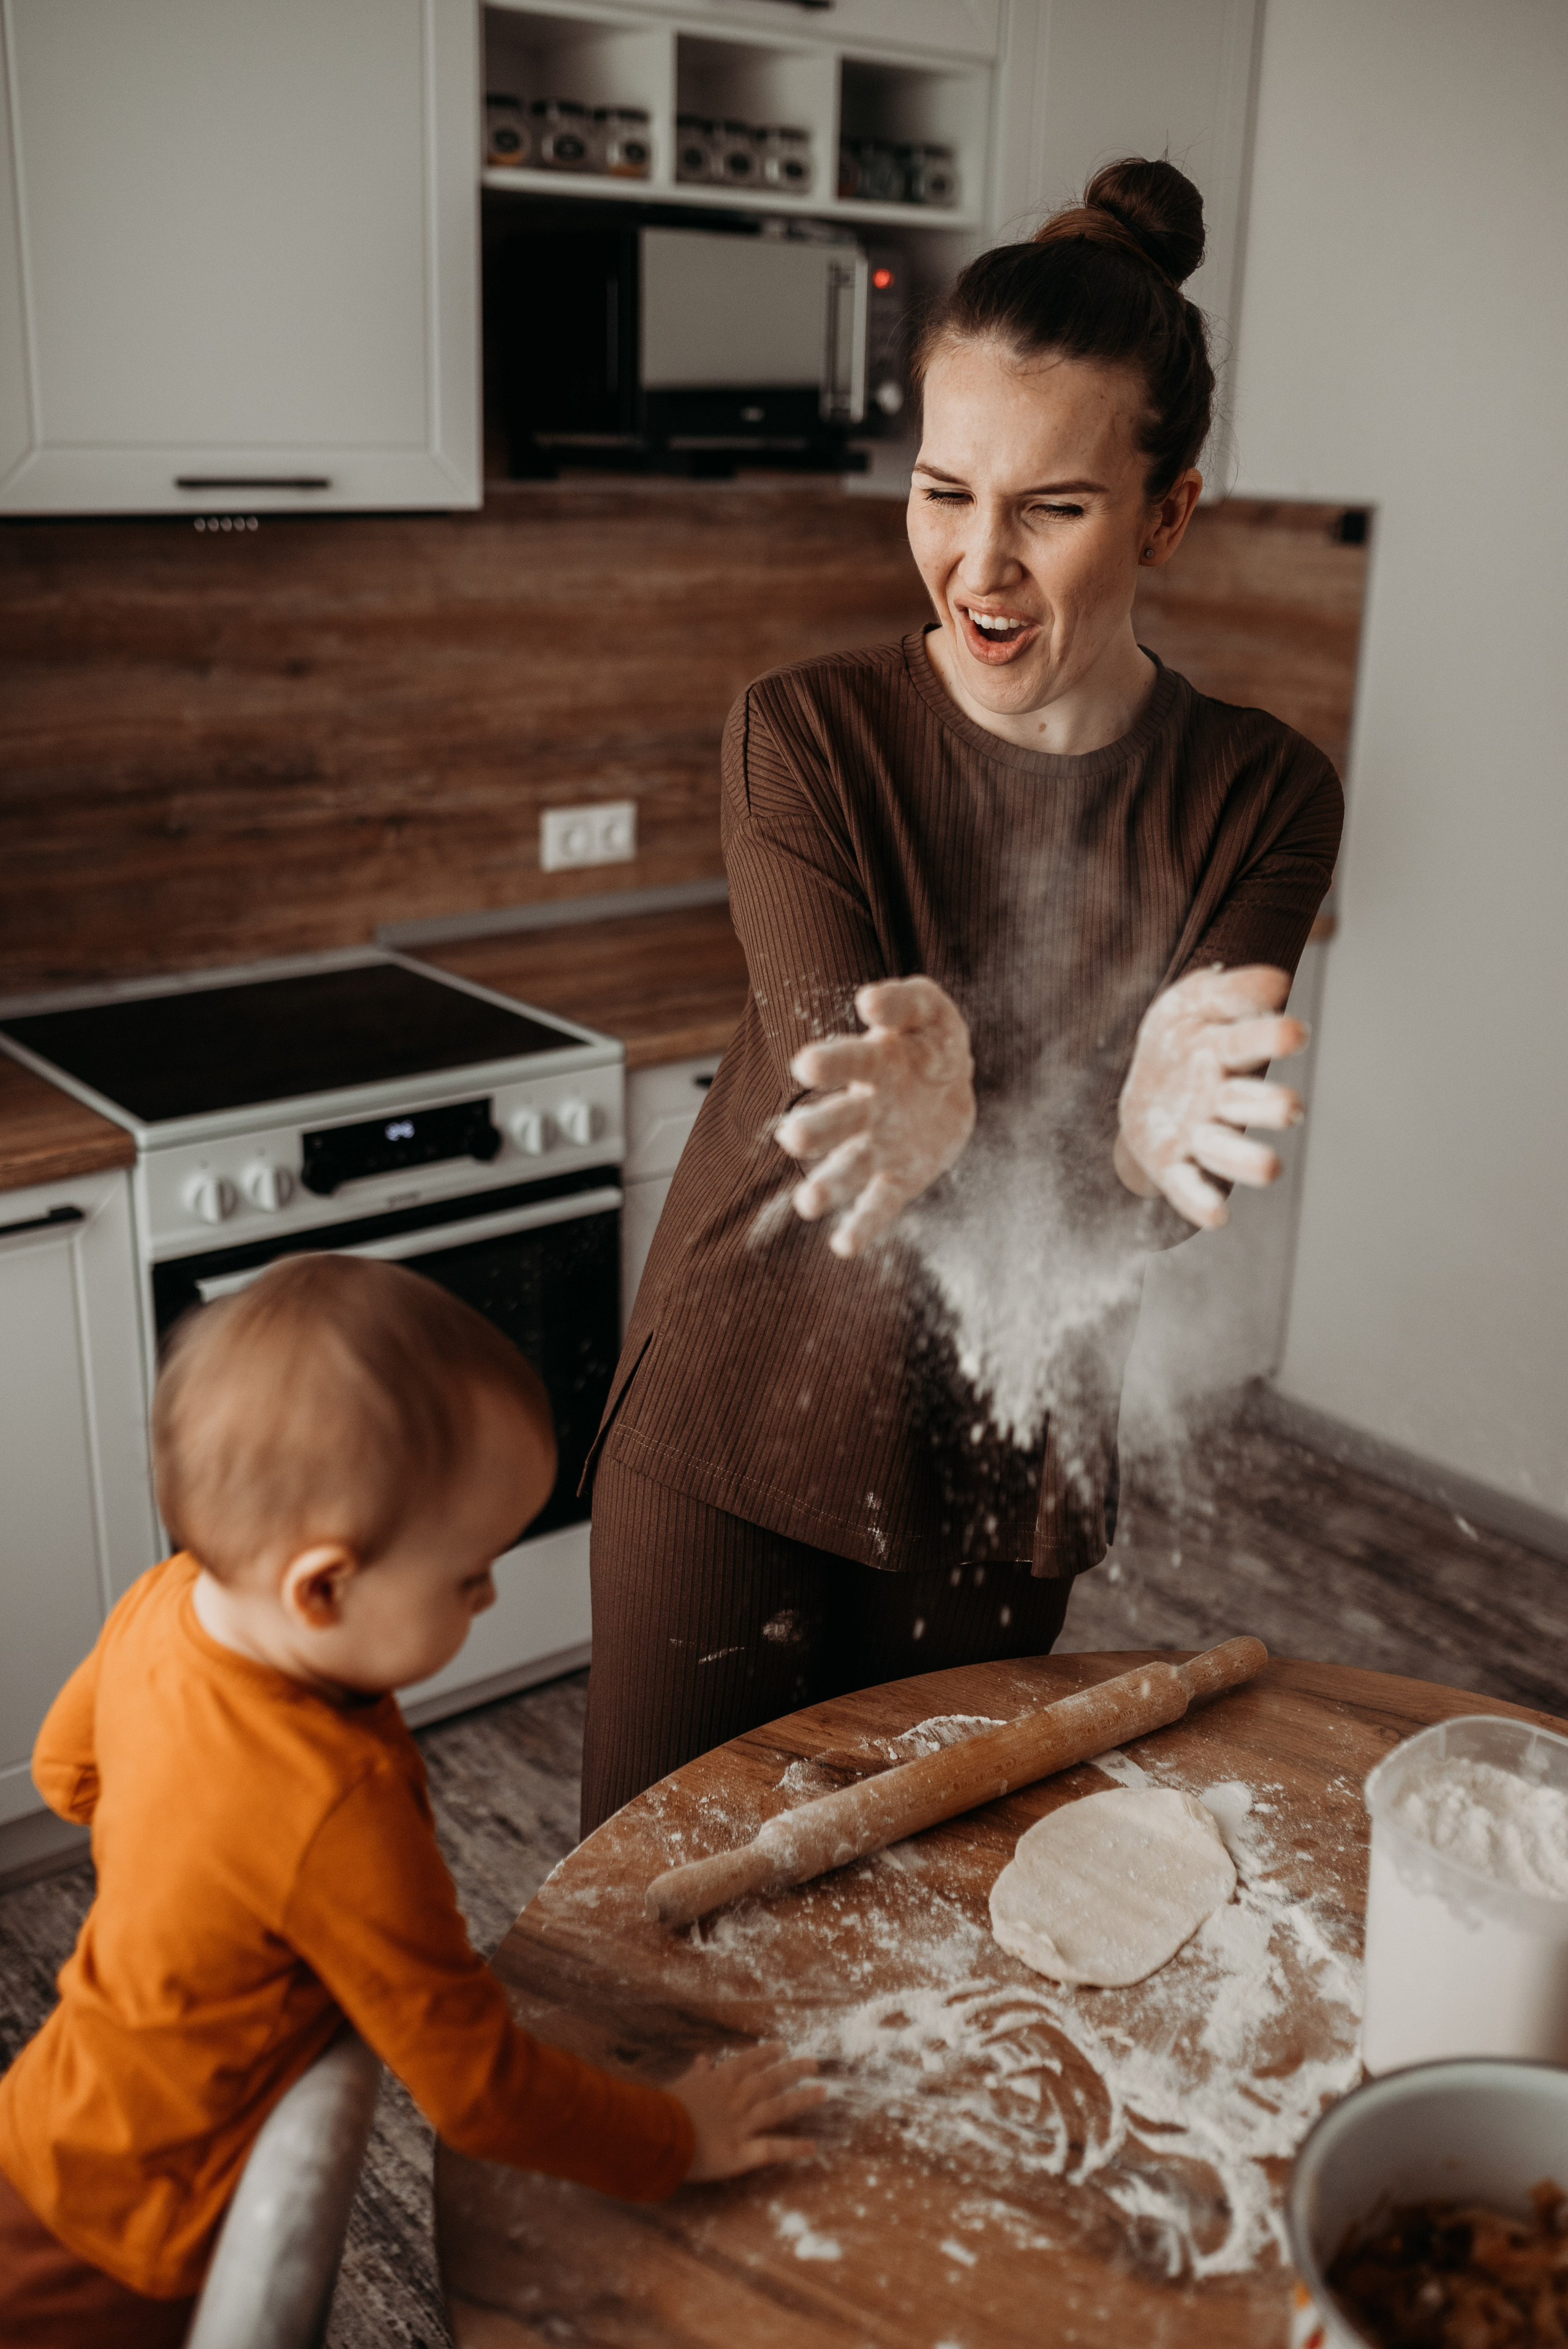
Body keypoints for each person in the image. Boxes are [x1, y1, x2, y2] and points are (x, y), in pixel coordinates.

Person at [578, 156, 1343, 1836]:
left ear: (1167, 512)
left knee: (920, 1931)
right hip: (737, 1426)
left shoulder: (1263, 794)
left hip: (1004, 1456)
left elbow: (1168, 1164)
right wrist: (1056, 1141)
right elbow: (851, 1099)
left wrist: (1147, 1161)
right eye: (943, 492)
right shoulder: (803, 736)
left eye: (1051, 509)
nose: (977, 563)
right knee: (651, 1916)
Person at [0, 1255, 821, 2348]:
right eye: (470, 1574)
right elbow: (478, 2091)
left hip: (43, 2121)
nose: (490, 1595)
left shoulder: (167, 1602)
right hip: (126, 2238)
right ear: (325, 1586)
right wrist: (680, 2135)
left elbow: (69, 1772)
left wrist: (195, 1892)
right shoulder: (337, 1808)